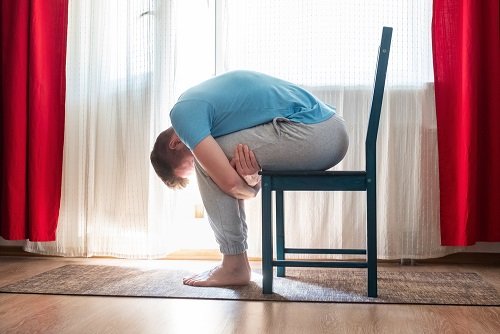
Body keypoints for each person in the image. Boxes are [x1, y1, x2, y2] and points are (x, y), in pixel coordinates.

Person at [150, 70, 349, 287]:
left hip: (316, 134)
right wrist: (251, 179)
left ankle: (234, 265)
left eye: (187, 163)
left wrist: (250, 187)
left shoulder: (182, 114)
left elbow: (230, 183)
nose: (198, 157)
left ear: (175, 143)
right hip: (328, 128)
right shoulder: (206, 105)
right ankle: (235, 263)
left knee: (209, 164)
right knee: (218, 162)